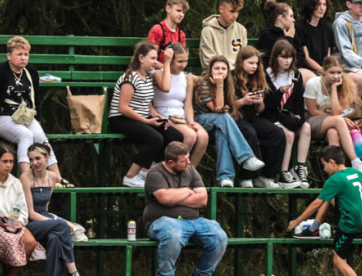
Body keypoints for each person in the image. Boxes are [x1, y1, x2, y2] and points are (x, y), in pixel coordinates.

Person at [285, 145, 362, 276]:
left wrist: (296, 221)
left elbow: (315, 204)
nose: (324, 169)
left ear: (332, 162)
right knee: (329, 197)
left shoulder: (334, 180)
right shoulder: (356, 173)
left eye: (324, 165)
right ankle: (314, 227)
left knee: (337, 260)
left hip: (350, 222)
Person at [144, 141, 227, 276]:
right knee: (173, 234)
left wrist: (176, 196)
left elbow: (203, 199)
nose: (189, 162)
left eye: (188, 158)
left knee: (219, 236)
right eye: (184, 160)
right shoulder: (155, 174)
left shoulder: (190, 170)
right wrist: (188, 191)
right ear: (171, 162)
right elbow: (166, 199)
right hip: (162, 222)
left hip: (193, 220)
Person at [0, 36, 69, 182]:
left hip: (26, 115)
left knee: (42, 139)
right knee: (26, 135)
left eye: (26, 54)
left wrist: (38, 120)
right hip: (4, 116)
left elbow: (36, 100)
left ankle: (57, 178)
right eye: (19, 54)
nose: (23, 58)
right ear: (9, 55)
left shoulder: (31, 72)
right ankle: (27, 176)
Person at [108, 41, 184, 187]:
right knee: (155, 138)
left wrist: (157, 116)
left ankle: (147, 171)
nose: (156, 62)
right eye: (153, 59)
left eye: (156, 58)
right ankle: (130, 176)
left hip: (141, 117)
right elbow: (123, 108)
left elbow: (147, 104)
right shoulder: (130, 78)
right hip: (121, 119)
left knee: (175, 136)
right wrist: (147, 121)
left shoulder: (148, 77)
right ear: (141, 58)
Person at [191, 56, 265, 188]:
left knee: (222, 134)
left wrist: (226, 107)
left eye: (223, 69)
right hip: (199, 120)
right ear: (210, 70)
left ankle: (226, 177)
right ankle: (246, 157)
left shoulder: (229, 84)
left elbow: (225, 108)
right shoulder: (204, 83)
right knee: (224, 118)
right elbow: (216, 108)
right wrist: (219, 85)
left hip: (217, 123)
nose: (220, 72)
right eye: (217, 68)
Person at [0, 143, 43, 276]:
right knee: (9, 241)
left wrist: (19, 222)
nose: (8, 165)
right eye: (4, 161)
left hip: (14, 223)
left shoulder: (15, 182)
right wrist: (0, 222)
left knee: (30, 242)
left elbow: (23, 208)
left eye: (11, 161)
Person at [303, 54, 362, 178]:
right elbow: (313, 111)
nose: (336, 76)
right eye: (332, 73)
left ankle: (336, 175)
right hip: (310, 121)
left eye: (338, 73)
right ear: (323, 71)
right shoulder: (313, 83)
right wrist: (336, 119)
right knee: (339, 121)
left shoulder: (343, 86)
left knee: (333, 133)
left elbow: (336, 113)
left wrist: (335, 89)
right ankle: (355, 161)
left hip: (331, 123)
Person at [232, 46, 286, 188]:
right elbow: (226, 107)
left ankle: (266, 176)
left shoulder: (259, 76)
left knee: (277, 134)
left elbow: (261, 110)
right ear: (241, 62)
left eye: (256, 63)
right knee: (250, 133)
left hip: (252, 116)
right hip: (235, 117)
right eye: (250, 63)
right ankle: (246, 177)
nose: (254, 67)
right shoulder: (231, 77)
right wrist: (243, 101)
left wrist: (259, 102)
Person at [263, 39, 311, 188]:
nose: (287, 61)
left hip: (288, 117)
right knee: (288, 134)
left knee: (306, 128)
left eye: (290, 57)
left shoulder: (296, 74)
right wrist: (279, 93)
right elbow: (267, 105)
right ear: (276, 57)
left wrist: (299, 117)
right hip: (272, 116)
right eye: (283, 57)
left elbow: (298, 101)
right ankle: (283, 173)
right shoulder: (267, 74)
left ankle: (300, 167)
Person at [151, 42, 209, 166]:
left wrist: (191, 121)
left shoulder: (187, 79)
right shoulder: (159, 74)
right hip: (165, 114)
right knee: (190, 136)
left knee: (203, 136)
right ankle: (170, 168)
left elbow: (187, 105)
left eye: (185, 61)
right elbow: (159, 92)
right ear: (170, 60)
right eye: (180, 61)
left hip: (180, 116)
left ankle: (188, 172)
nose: (184, 65)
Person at [19, 142, 89, 241]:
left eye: (37, 158)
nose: (34, 163)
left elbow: (46, 206)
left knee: (56, 237)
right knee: (62, 226)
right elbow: (31, 213)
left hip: (45, 216)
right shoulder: (25, 178)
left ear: (47, 157)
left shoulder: (52, 176)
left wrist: (67, 184)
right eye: (31, 160)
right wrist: (54, 221)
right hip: (31, 220)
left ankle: (59, 257)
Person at [199, 0, 247, 71]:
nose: (235, 15)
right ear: (221, 9)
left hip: (236, 75)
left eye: (237, 12)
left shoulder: (241, 30)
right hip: (214, 74)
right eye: (232, 11)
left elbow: (243, 58)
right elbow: (207, 61)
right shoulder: (208, 30)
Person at [293, 0, 336, 76]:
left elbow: (328, 56)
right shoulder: (299, 28)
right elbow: (306, 58)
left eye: (324, 4)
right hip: (305, 69)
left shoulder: (327, 30)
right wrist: (322, 71)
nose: (322, 8)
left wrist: (327, 70)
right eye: (318, 4)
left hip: (324, 69)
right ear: (310, 5)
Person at [255, 0, 298, 68]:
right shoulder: (267, 35)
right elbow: (277, 58)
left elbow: (300, 55)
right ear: (281, 18)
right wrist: (289, 39)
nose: (294, 20)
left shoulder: (292, 33)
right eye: (291, 16)